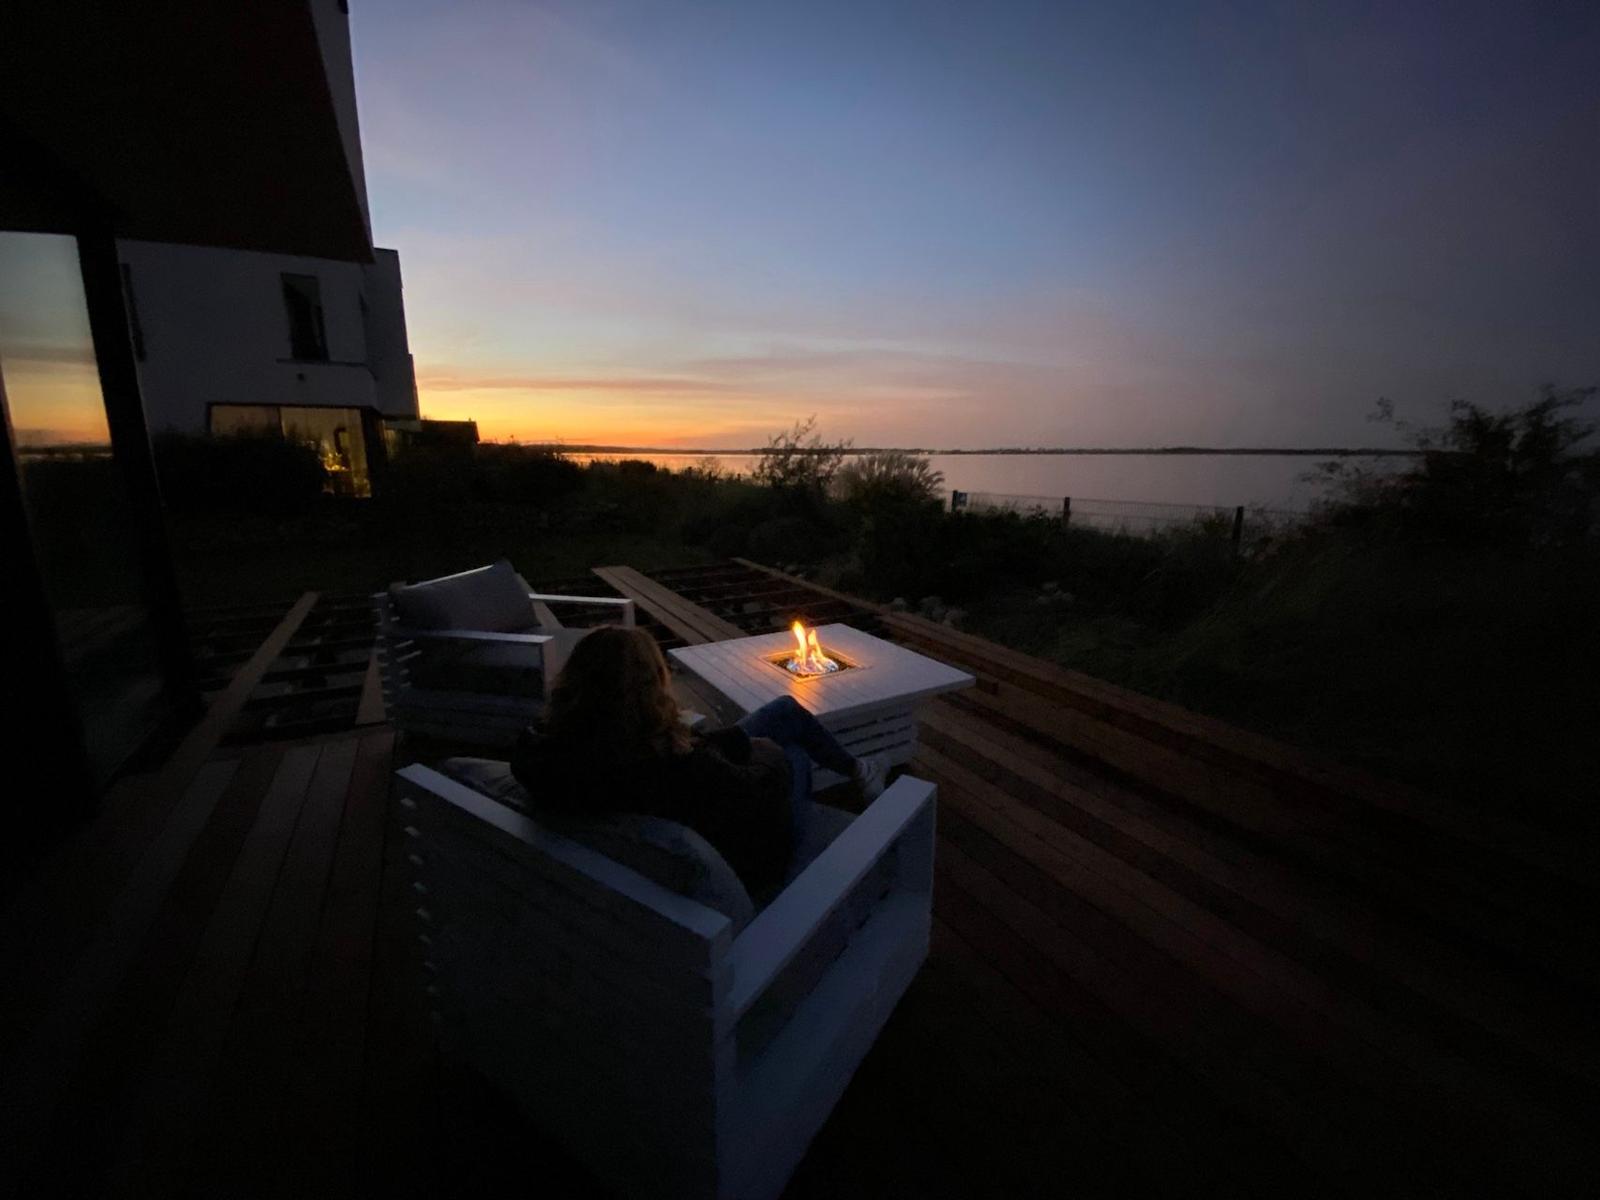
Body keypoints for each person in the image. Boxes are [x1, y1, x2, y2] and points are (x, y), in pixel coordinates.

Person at [510, 625, 886, 894]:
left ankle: (856, 768)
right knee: (795, 752)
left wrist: (714, 742)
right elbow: (759, 790)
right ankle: (858, 777)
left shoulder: (546, 751)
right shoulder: (672, 767)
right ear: (649, 687)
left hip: (695, 787)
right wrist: (762, 752)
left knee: (784, 710)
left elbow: (678, 761)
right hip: (756, 852)